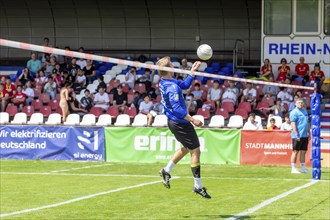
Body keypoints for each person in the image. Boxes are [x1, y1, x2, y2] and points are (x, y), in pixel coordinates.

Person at [156, 56, 211, 199]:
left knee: (187, 147)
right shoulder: (172, 87)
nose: (175, 67)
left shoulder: (165, 81)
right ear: (168, 69)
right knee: (196, 151)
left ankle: (166, 170)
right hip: (180, 122)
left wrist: (192, 72)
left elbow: (185, 85)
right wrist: (193, 120)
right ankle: (198, 186)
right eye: (172, 66)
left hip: (174, 121)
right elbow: (178, 110)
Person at [290, 98, 309, 174]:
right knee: (295, 151)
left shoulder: (304, 111)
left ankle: (303, 167)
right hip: (297, 135)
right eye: (299, 103)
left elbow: (307, 122)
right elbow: (293, 124)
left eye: (301, 103)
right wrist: (296, 134)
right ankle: (293, 168)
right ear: (295, 103)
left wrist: (309, 132)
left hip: (305, 135)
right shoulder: (294, 112)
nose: (300, 104)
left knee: (303, 151)